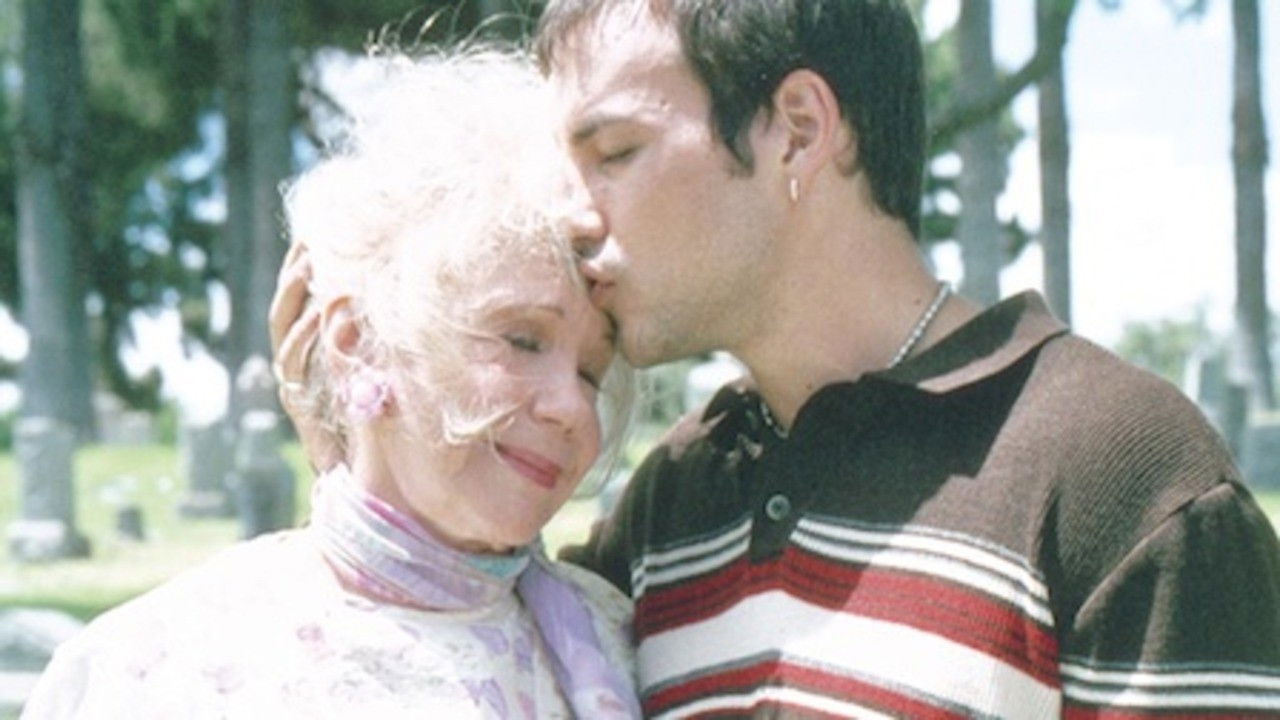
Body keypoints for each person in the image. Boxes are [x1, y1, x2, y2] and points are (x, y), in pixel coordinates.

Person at [273, 2, 1280, 718]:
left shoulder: (1122, 480)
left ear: (797, 131)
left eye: (613, 153)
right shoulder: (673, 501)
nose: (570, 216)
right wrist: (358, 428)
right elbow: (459, 646)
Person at [22, 48, 642, 720]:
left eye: (591, 372)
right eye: (521, 340)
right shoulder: (160, 671)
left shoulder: (621, 643)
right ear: (358, 342)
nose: (571, 408)